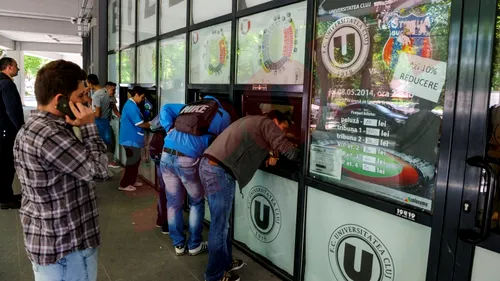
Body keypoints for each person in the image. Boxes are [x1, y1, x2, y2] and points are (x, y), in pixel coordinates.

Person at [13, 60, 109, 281]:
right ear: (60, 100)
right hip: (68, 248)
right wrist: (88, 126)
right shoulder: (50, 134)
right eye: (81, 95)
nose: (86, 100)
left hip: (50, 239)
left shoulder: (34, 128)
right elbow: (101, 171)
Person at [200, 110, 300, 281]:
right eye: (282, 128)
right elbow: (286, 149)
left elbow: (251, 148)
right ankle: (214, 275)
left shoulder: (252, 121)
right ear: (275, 120)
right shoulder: (266, 123)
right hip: (219, 172)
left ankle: (225, 263)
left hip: (211, 166)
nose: (281, 132)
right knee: (220, 226)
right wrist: (306, 158)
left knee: (223, 224)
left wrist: (270, 154)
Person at [159, 95, 231, 256]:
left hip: (166, 153)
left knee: (173, 203)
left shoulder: (189, 107)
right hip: (187, 159)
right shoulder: (223, 115)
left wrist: (169, 128)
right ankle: (194, 245)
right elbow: (223, 143)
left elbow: (165, 108)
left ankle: (178, 244)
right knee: (196, 202)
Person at [0, 57, 23, 210]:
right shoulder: (6, 84)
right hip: (6, 131)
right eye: (16, 66)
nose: (18, 68)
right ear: (9, 67)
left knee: (4, 164)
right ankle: (4, 199)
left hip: (2, 130)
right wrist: (22, 129)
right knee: (6, 165)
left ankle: (5, 195)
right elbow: (12, 110)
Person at [119, 86, 150, 192]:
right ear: (136, 94)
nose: (142, 99)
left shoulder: (132, 105)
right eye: (142, 97)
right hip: (130, 139)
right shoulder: (131, 106)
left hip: (132, 139)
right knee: (132, 162)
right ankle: (124, 184)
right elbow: (140, 124)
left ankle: (131, 181)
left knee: (135, 161)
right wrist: (151, 124)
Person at [104, 81, 121, 168]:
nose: (114, 92)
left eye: (115, 90)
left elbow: (115, 110)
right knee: (110, 141)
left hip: (107, 122)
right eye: (112, 90)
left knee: (110, 141)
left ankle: (108, 160)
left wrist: (121, 118)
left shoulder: (112, 98)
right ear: (106, 89)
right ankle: (109, 161)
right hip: (101, 123)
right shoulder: (100, 97)